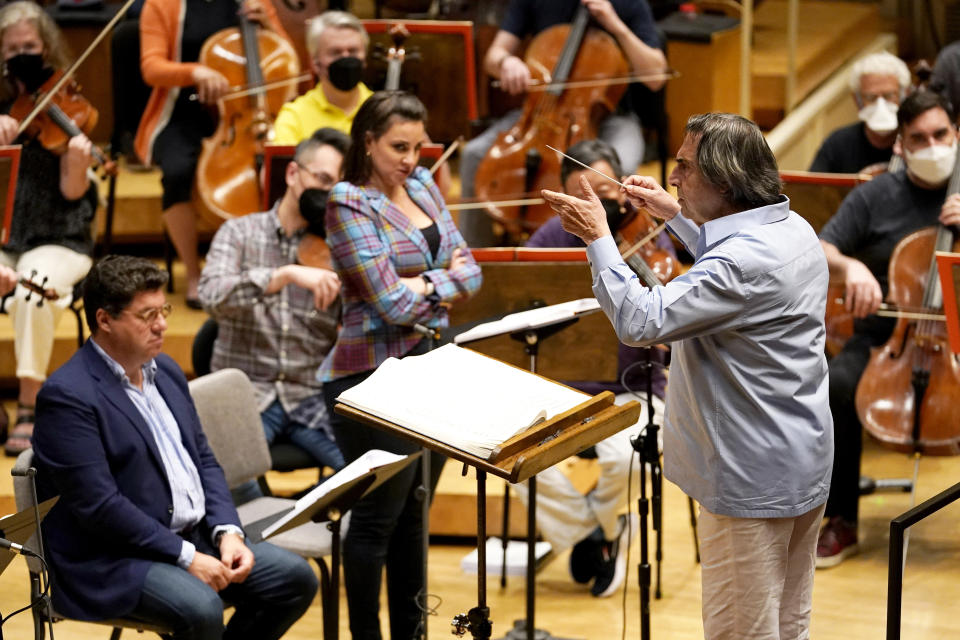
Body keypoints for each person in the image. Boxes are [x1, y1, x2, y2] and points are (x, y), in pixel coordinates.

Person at [542, 112, 833, 639]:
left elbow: (641, 320)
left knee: (740, 633)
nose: (672, 177)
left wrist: (598, 238)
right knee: (788, 623)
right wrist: (676, 216)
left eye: (684, 167)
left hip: (749, 475)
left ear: (724, 181)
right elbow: (733, 274)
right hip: (799, 457)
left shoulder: (742, 263)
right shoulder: (790, 228)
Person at [32, 255, 318, 640]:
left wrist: (228, 531)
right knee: (200, 607)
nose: (162, 324)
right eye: (147, 315)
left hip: (191, 536)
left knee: (293, 579)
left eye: (163, 310)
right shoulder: (68, 397)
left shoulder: (164, 371)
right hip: (112, 558)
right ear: (104, 320)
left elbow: (203, 459)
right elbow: (100, 508)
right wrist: (186, 558)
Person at [322, 90, 482, 640]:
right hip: (369, 376)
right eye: (398, 147)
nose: (411, 159)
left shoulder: (423, 185)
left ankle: (411, 635)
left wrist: (424, 283)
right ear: (367, 141)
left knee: (415, 514)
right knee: (376, 522)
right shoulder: (347, 201)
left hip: (429, 366)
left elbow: (473, 271)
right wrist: (443, 282)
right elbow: (388, 305)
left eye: (417, 146)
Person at [522, 138, 675, 597]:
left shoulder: (646, 233)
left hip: (633, 387)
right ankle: (597, 534)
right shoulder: (548, 237)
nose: (591, 205)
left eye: (601, 193)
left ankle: (599, 531)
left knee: (628, 456)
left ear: (618, 187)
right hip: (561, 392)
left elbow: (668, 302)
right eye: (577, 194)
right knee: (513, 456)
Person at [816, 90, 960, 568]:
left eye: (941, 134)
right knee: (835, 385)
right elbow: (822, 248)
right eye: (918, 138)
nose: (932, 145)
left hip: (956, 343)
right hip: (884, 338)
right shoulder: (876, 195)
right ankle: (842, 519)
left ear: (956, 133)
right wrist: (849, 268)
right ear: (901, 144)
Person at [198, 127, 350, 486]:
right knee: (227, 482)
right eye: (324, 179)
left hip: (308, 396)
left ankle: (312, 523)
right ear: (293, 173)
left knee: (372, 475)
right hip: (247, 395)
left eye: (338, 188)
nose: (328, 194)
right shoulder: (238, 233)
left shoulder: (340, 248)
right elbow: (211, 296)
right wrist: (283, 275)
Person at [459, 0, 668, 246]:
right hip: (540, 111)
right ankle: (477, 257)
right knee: (473, 154)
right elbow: (494, 56)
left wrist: (615, 25)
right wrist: (506, 62)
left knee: (621, 168)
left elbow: (656, 77)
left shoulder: (630, 4)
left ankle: (619, 254)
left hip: (611, 118)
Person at [135, 0, 290, 306]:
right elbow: (151, 67)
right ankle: (195, 273)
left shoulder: (254, 2)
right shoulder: (161, 5)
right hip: (182, 108)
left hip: (245, 110)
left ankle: (266, 264)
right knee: (179, 171)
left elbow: (287, 59)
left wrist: (270, 28)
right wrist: (196, 72)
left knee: (280, 167)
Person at [0, 1, 97, 457]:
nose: (23, 53)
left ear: (47, 47)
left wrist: (76, 164)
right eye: (14, 46)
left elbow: (75, 198)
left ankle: (27, 404)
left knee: (34, 290)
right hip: (4, 237)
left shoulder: (68, 100)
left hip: (58, 236)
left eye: (31, 45)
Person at [273, 10, 372, 144]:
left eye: (353, 51)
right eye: (335, 52)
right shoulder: (293, 117)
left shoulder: (382, 111)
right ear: (315, 63)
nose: (346, 58)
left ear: (365, 58)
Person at [809, 51, 911, 174]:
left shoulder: (918, 139)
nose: (880, 105)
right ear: (857, 101)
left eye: (889, 96)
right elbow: (812, 190)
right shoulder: (837, 144)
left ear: (904, 95)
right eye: (870, 97)